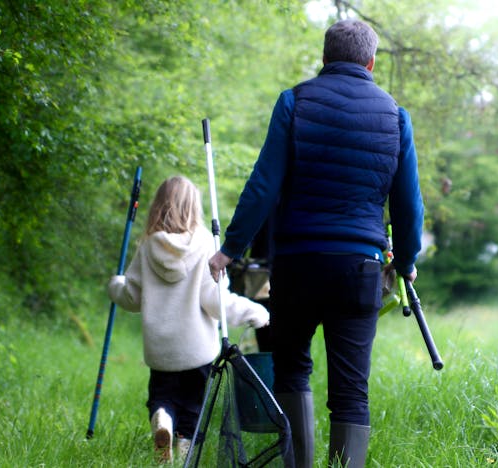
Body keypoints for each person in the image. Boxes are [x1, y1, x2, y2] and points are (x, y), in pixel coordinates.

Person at [208, 19, 424, 468]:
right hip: (360, 269)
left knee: (291, 369)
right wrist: (405, 261)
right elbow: (408, 205)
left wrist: (229, 250)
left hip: (297, 265)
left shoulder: (294, 102)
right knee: (351, 389)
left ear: (325, 58)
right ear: (371, 61)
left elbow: (263, 187)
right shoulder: (395, 116)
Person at [108, 175, 270, 463]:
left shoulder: (147, 247)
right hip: (197, 350)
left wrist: (116, 286)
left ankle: (162, 418)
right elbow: (215, 301)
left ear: (158, 207)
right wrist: (254, 311)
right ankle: (183, 451)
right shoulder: (206, 244)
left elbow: (131, 297)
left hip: (161, 349)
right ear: (194, 208)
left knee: (163, 396)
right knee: (194, 406)